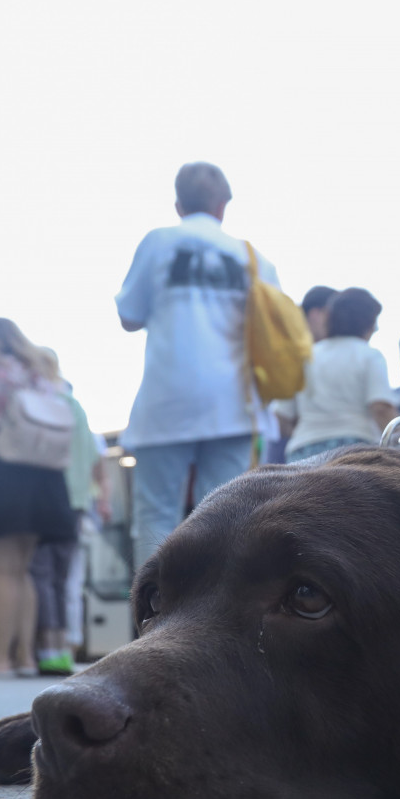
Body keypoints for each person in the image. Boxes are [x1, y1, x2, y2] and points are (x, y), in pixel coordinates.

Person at [116, 162, 284, 565]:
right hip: (235, 402)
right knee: (228, 517)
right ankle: (222, 622)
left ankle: (150, 621)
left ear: (178, 203)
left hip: (166, 400)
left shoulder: (158, 242)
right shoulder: (255, 259)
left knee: (156, 516)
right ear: (223, 203)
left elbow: (129, 316)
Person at [0, 318, 76, 676]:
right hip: (44, 478)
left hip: (3, 473)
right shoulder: (42, 371)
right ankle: (26, 657)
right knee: (24, 571)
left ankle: (0, 658)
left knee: (2, 569)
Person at [28, 349, 111, 676]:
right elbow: (95, 464)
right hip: (77, 507)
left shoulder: (43, 406)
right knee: (68, 581)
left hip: (47, 501)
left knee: (42, 578)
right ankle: (65, 648)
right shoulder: (77, 409)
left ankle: (47, 649)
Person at [274, 288, 398, 463]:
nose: (375, 329)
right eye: (374, 322)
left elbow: (282, 419)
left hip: (302, 453)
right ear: (365, 323)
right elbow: (381, 408)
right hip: (355, 451)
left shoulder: (304, 357)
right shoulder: (369, 355)